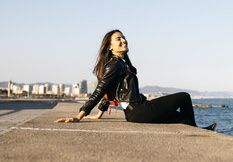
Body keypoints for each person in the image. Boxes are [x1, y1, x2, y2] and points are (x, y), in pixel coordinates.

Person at [55, 29, 216, 131]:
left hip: (136, 112)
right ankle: (198, 130)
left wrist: (99, 115)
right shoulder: (114, 65)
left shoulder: (123, 64)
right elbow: (101, 89)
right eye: (118, 39)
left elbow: (110, 90)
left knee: (182, 119)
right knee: (184, 97)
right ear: (110, 47)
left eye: (123, 37)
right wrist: (80, 115)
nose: (123, 40)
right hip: (139, 110)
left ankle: (196, 129)